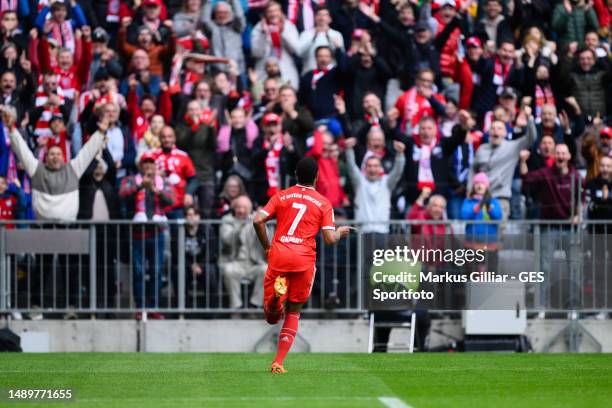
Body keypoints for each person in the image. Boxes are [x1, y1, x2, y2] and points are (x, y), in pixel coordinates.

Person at [252, 157, 352, 373]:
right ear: (317, 177)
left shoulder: (281, 196)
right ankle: (278, 362)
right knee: (294, 312)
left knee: (271, 318)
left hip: (279, 255)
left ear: (296, 175)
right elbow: (329, 239)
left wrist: (267, 247)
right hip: (303, 260)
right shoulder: (323, 203)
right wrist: (340, 233)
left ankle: (276, 301)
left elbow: (257, 220)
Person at [6, 107, 106, 221]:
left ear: (63, 158)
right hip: (42, 229)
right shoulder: (37, 170)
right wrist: (11, 129)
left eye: (58, 154)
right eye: (52, 154)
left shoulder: (73, 169)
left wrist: (101, 133)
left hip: (67, 229)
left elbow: (88, 151)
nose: (55, 157)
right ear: (46, 158)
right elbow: (22, 151)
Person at [119, 152, 174, 316]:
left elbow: (171, 200)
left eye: (151, 164)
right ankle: (140, 307)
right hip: (137, 233)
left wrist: (156, 191)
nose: (149, 167)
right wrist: (139, 186)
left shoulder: (163, 182)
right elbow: (122, 195)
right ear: (140, 166)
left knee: (156, 271)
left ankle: (154, 307)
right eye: (146, 164)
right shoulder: (130, 180)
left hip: (157, 233)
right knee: (138, 271)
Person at [345, 137, 406, 234]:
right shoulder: (360, 181)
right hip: (363, 232)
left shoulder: (387, 182)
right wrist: (349, 150)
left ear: (381, 168)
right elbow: (351, 167)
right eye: (369, 166)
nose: (372, 169)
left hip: (382, 232)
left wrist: (400, 154)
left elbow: (398, 171)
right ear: (364, 168)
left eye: (375, 166)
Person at [219, 195, 267, 310]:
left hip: (253, 263)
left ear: (250, 209)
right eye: (239, 207)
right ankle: (236, 307)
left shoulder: (255, 219)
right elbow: (227, 239)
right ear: (234, 208)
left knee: (266, 269)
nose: (241, 211)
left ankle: (255, 305)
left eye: (244, 208)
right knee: (228, 270)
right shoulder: (227, 220)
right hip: (235, 262)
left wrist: (261, 222)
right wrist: (240, 225)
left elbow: (266, 240)